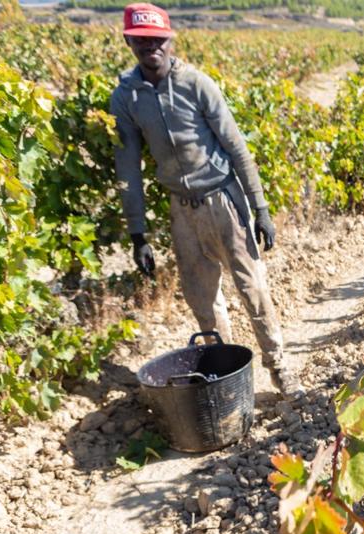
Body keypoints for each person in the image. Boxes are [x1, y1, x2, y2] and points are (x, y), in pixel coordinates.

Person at [110, 3, 304, 401]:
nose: (151, 48)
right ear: (130, 42)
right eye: (142, 40)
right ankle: (227, 380)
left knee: (253, 290)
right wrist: (137, 234)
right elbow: (128, 168)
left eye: (157, 40)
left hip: (223, 201)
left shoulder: (196, 84)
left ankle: (281, 370)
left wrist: (261, 209)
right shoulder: (127, 97)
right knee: (203, 300)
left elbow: (236, 146)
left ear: (170, 40)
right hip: (182, 209)